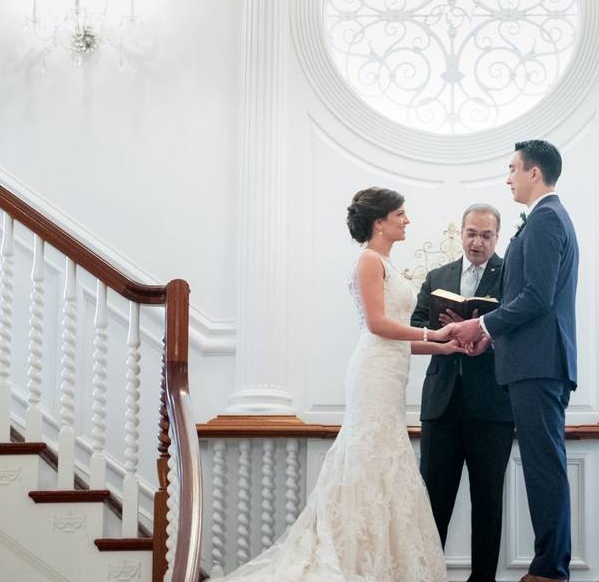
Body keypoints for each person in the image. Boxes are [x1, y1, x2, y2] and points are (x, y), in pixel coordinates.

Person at [213, 187, 461, 582]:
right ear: (379, 222)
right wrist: (435, 334)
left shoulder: (385, 262)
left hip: (390, 370)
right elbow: (378, 325)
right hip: (373, 373)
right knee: (370, 455)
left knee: (386, 458)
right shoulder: (368, 260)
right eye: (400, 214)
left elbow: (395, 337)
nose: (407, 220)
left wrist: (444, 348)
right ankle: (354, 558)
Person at [452, 140, 579, 582]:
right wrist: (491, 339)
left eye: (512, 169)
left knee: (544, 466)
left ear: (534, 174)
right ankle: (551, 564)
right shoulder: (545, 219)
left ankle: (549, 569)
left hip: (539, 364)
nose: (508, 178)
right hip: (531, 362)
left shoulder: (545, 220)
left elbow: (536, 298)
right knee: (545, 464)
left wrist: (482, 327)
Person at [411, 203, 513, 582]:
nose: (477, 242)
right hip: (441, 405)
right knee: (432, 502)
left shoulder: (512, 276)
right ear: (461, 232)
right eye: (471, 233)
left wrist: (481, 329)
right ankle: (429, 575)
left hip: (493, 408)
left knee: (488, 502)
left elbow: (519, 328)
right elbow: (416, 325)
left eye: (486, 235)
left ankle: (483, 579)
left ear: (497, 237)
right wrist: (448, 334)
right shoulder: (438, 275)